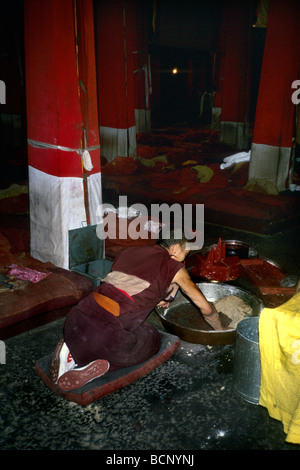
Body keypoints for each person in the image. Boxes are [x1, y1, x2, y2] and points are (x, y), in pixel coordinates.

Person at [50, 228, 224, 391]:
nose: (183, 260)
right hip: (105, 337)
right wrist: (220, 331)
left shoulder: (130, 252)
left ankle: (71, 350)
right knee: (151, 338)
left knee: (107, 322)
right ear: (176, 248)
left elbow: (122, 287)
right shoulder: (174, 268)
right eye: (185, 253)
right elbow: (206, 309)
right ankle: (97, 367)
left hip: (76, 318)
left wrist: (156, 300)